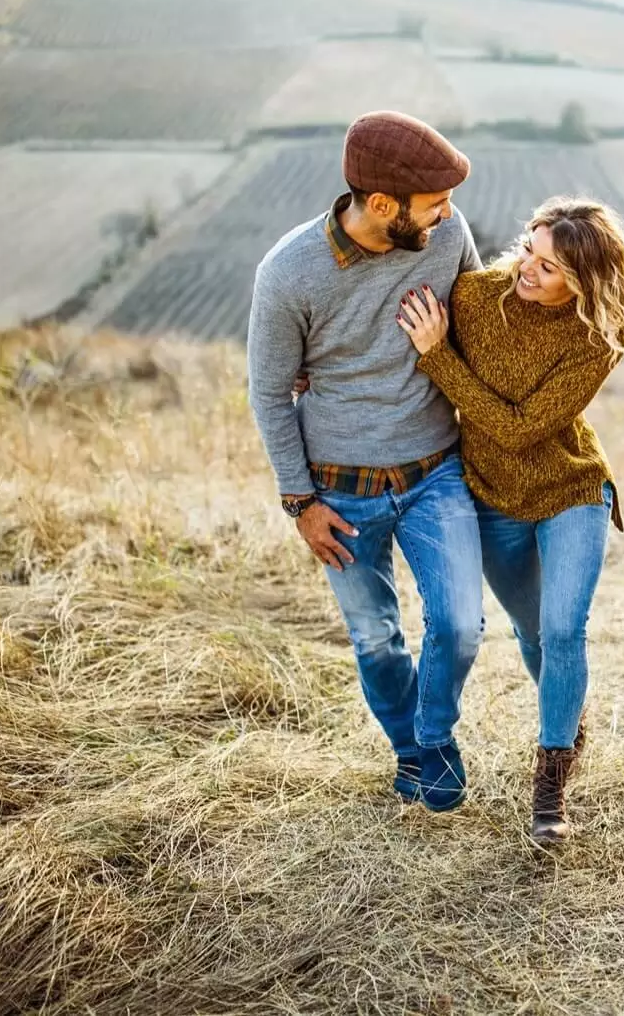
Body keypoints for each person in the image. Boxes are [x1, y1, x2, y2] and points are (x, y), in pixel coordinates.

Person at [248, 111, 485, 814]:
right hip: (339, 494)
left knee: (461, 625)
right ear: (383, 205)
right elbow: (268, 393)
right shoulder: (289, 272)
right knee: (377, 639)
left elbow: (485, 325)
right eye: (433, 203)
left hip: (435, 472)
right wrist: (300, 502)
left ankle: (433, 739)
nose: (448, 215)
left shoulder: (449, 237)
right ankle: (413, 755)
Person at [397, 197, 624, 844]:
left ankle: (550, 784)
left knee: (563, 630)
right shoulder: (476, 298)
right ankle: (569, 716)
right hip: (491, 497)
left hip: (571, 488)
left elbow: (518, 429)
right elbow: (391, 332)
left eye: (549, 267)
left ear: (584, 282)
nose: (526, 271)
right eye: (529, 252)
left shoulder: (597, 337)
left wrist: (439, 358)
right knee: (533, 633)